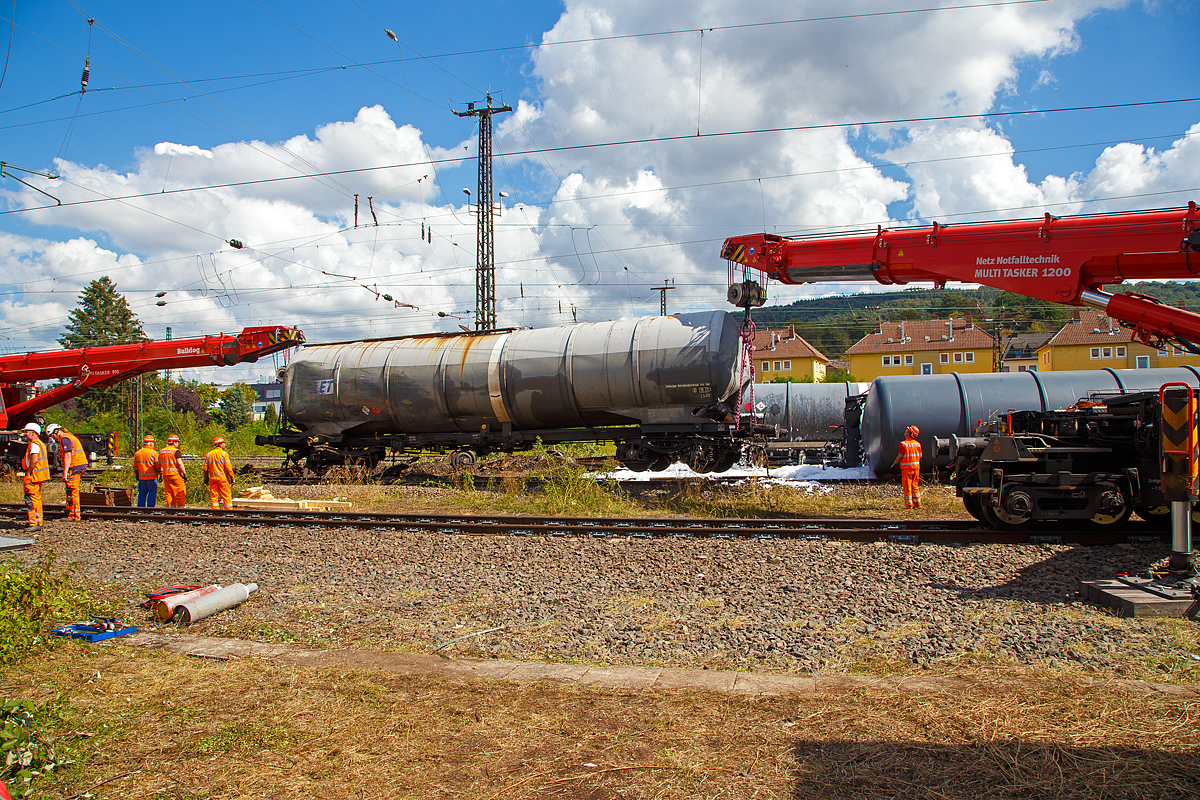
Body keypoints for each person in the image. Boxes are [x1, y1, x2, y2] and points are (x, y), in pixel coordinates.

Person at [46, 424, 88, 521]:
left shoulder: (65, 439)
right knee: (70, 489)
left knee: (72, 490)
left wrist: (65, 472)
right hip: (79, 464)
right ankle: (70, 509)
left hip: (75, 465)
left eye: (52, 435)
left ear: (56, 432)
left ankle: (74, 515)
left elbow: (68, 456)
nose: (53, 438)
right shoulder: (70, 436)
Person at [20, 423, 50, 529]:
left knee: (31, 499)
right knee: (35, 498)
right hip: (37, 475)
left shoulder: (34, 444)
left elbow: (34, 460)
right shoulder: (39, 443)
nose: (25, 434)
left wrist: (28, 471)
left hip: (33, 475)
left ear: (33, 433)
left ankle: (34, 523)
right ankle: (37, 521)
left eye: (27, 431)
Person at [891, 425, 923, 510]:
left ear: (909, 433)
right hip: (916, 468)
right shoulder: (918, 444)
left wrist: (894, 463)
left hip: (907, 469)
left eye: (907, 430)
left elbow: (900, 455)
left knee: (907, 486)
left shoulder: (903, 444)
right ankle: (918, 504)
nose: (905, 431)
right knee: (915, 486)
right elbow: (920, 455)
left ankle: (909, 506)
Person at [204, 437, 235, 510]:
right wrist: (232, 478)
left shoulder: (209, 454)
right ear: (220, 444)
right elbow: (228, 468)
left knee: (214, 495)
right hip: (222, 478)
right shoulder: (224, 454)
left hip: (212, 478)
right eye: (223, 443)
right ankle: (228, 510)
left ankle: (215, 510)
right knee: (226, 495)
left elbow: (205, 468)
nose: (224, 445)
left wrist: (206, 477)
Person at [157, 434, 188, 507]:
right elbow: (180, 463)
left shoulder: (161, 451)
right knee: (180, 491)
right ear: (174, 442)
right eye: (177, 442)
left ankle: (171, 507)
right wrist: (184, 473)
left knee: (169, 492)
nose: (178, 444)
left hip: (166, 475)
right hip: (175, 475)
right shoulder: (175, 451)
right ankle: (181, 507)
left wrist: (161, 474)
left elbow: (159, 464)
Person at [133, 434, 160, 507]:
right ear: (151, 443)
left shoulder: (138, 453)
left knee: (142, 494)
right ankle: (150, 509)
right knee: (152, 494)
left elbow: (135, 467)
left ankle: (140, 508)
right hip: (152, 477)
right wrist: (160, 473)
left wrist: (137, 474)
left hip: (141, 477)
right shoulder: (154, 453)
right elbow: (158, 466)